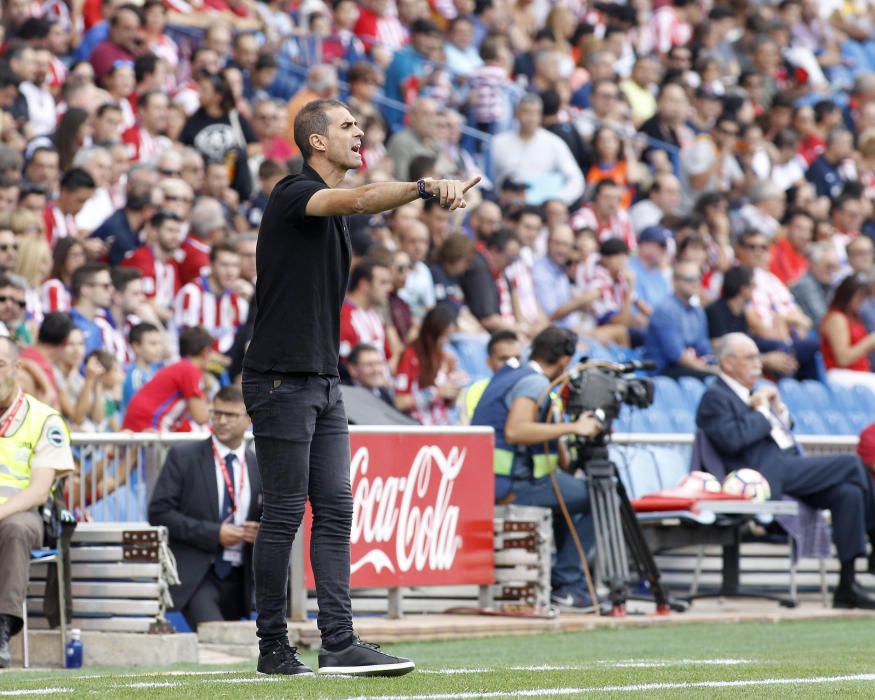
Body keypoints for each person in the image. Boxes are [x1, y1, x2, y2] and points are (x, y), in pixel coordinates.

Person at [242, 98, 477, 677]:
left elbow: (361, 200)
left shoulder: (336, 215)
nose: (359, 131)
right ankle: (273, 647)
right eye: (347, 125)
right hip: (280, 378)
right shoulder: (292, 194)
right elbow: (363, 196)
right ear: (316, 141)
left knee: (337, 511)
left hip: (322, 379)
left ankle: (339, 641)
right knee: (283, 516)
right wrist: (424, 187)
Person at [696, 332, 875, 609]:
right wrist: (763, 412)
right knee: (852, 464)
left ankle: (847, 584)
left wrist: (777, 408)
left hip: (787, 467)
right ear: (728, 363)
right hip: (759, 477)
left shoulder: (757, 392)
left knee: (848, 493)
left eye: (758, 356)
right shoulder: (715, 397)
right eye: (750, 357)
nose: (758, 363)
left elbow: (784, 431)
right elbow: (731, 440)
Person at [471, 326, 603, 610]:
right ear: (564, 361)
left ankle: (571, 584)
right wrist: (576, 426)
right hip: (508, 485)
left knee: (570, 495)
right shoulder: (533, 382)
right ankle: (567, 583)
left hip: (493, 482)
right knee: (603, 495)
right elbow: (517, 430)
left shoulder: (508, 375)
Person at [148, 386, 261, 631]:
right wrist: (214, 533)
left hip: (241, 577)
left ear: (249, 419)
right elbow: (159, 512)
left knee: (233, 651)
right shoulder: (183, 456)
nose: (221, 421)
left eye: (230, 415)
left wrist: (261, 531)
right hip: (197, 574)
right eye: (216, 413)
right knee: (218, 638)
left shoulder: (259, 464)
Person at [0, 336, 75, 667]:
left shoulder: (44, 419)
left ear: (17, 367)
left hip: (24, 513)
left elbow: (39, 490)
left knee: (14, 530)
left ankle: (2, 628)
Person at [122, 325, 212, 433]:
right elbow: (201, 417)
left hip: (142, 429)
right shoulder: (189, 369)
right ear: (206, 352)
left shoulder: (181, 367)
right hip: (146, 430)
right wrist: (218, 408)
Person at [645, 261, 717, 379]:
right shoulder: (665, 310)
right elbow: (677, 356)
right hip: (665, 370)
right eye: (689, 279)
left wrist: (713, 365)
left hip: (688, 367)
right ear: (674, 282)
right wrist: (708, 369)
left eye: (698, 278)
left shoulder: (698, 311)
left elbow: (704, 349)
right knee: (715, 377)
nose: (695, 283)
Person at [394, 304, 462, 425]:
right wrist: (436, 393)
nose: (445, 341)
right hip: (415, 425)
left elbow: (448, 403)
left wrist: (453, 391)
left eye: (449, 336)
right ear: (431, 332)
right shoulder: (410, 356)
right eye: (443, 335)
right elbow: (400, 402)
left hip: (441, 425)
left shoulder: (445, 357)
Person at [819, 273, 875, 392]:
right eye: (859, 296)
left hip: (859, 374)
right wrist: (869, 342)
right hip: (839, 374)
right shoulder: (836, 318)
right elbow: (843, 359)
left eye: (864, 296)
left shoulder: (855, 318)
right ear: (847, 295)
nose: (862, 301)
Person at [458, 330, 521, 424]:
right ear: (489, 362)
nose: (512, 364)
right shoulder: (474, 391)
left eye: (516, 358)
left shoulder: (531, 387)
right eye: (503, 359)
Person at [344, 343, 393, 407]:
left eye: (378, 363)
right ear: (352, 369)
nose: (376, 369)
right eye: (369, 364)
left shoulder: (384, 394)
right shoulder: (343, 395)